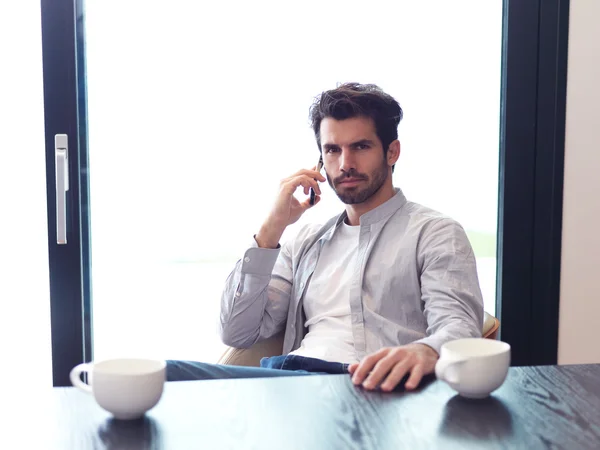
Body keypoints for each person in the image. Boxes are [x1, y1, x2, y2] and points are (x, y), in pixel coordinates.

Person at [167, 82, 484, 392]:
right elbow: (236, 331)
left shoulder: (434, 233)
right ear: (320, 161)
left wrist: (425, 351)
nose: (345, 164)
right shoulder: (304, 242)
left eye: (360, 146)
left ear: (392, 151)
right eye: (332, 150)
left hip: (370, 385)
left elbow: (459, 331)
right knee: (164, 375)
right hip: (292, 382)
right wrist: (270, 230)